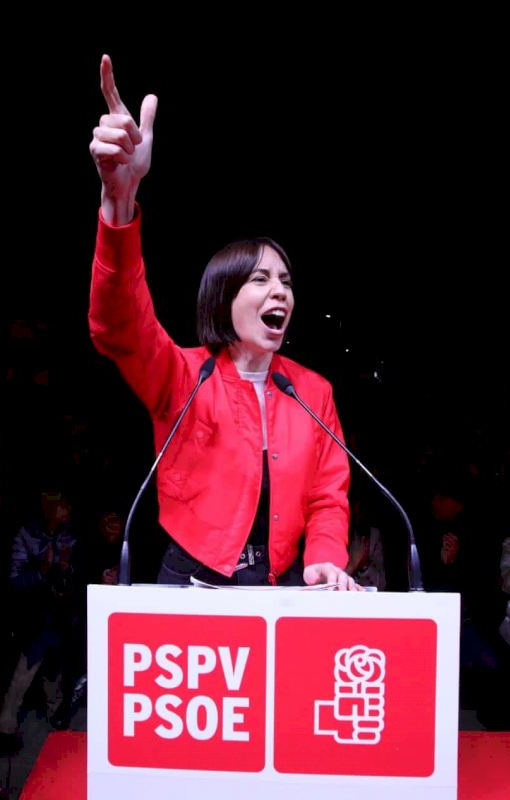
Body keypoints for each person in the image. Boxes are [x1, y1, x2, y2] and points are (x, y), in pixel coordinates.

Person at [87, 55, 359, 590]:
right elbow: (119, 322)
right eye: (260, 279)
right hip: (190, 583)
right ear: (224, 297)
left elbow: (328, 495)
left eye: (286, 281)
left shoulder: (313, 392)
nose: (280, 291)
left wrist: (325, 556)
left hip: (280, 585)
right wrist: (119, 200)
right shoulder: (184, 376)